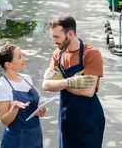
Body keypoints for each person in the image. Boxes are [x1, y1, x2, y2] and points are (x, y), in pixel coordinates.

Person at [42, 15, 105, 148]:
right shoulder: (57, 55)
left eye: (57, 37)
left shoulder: (91, 54)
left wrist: (59, 81)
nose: (54, 41)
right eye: (52, 37)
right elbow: (46, 85)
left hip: (89, 119)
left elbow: (88, 91)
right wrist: (72, 81)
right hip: (67, 119)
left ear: (70, 33)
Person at [0, 43, 46, 148]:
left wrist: (38, 111)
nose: (24, 59)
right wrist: (14, 108)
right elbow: (4, 120)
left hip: (35, 136)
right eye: (20, 57)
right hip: (16, 141)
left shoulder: (27, 78)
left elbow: (30, 108)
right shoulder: (2, 87)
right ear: (9, 64)